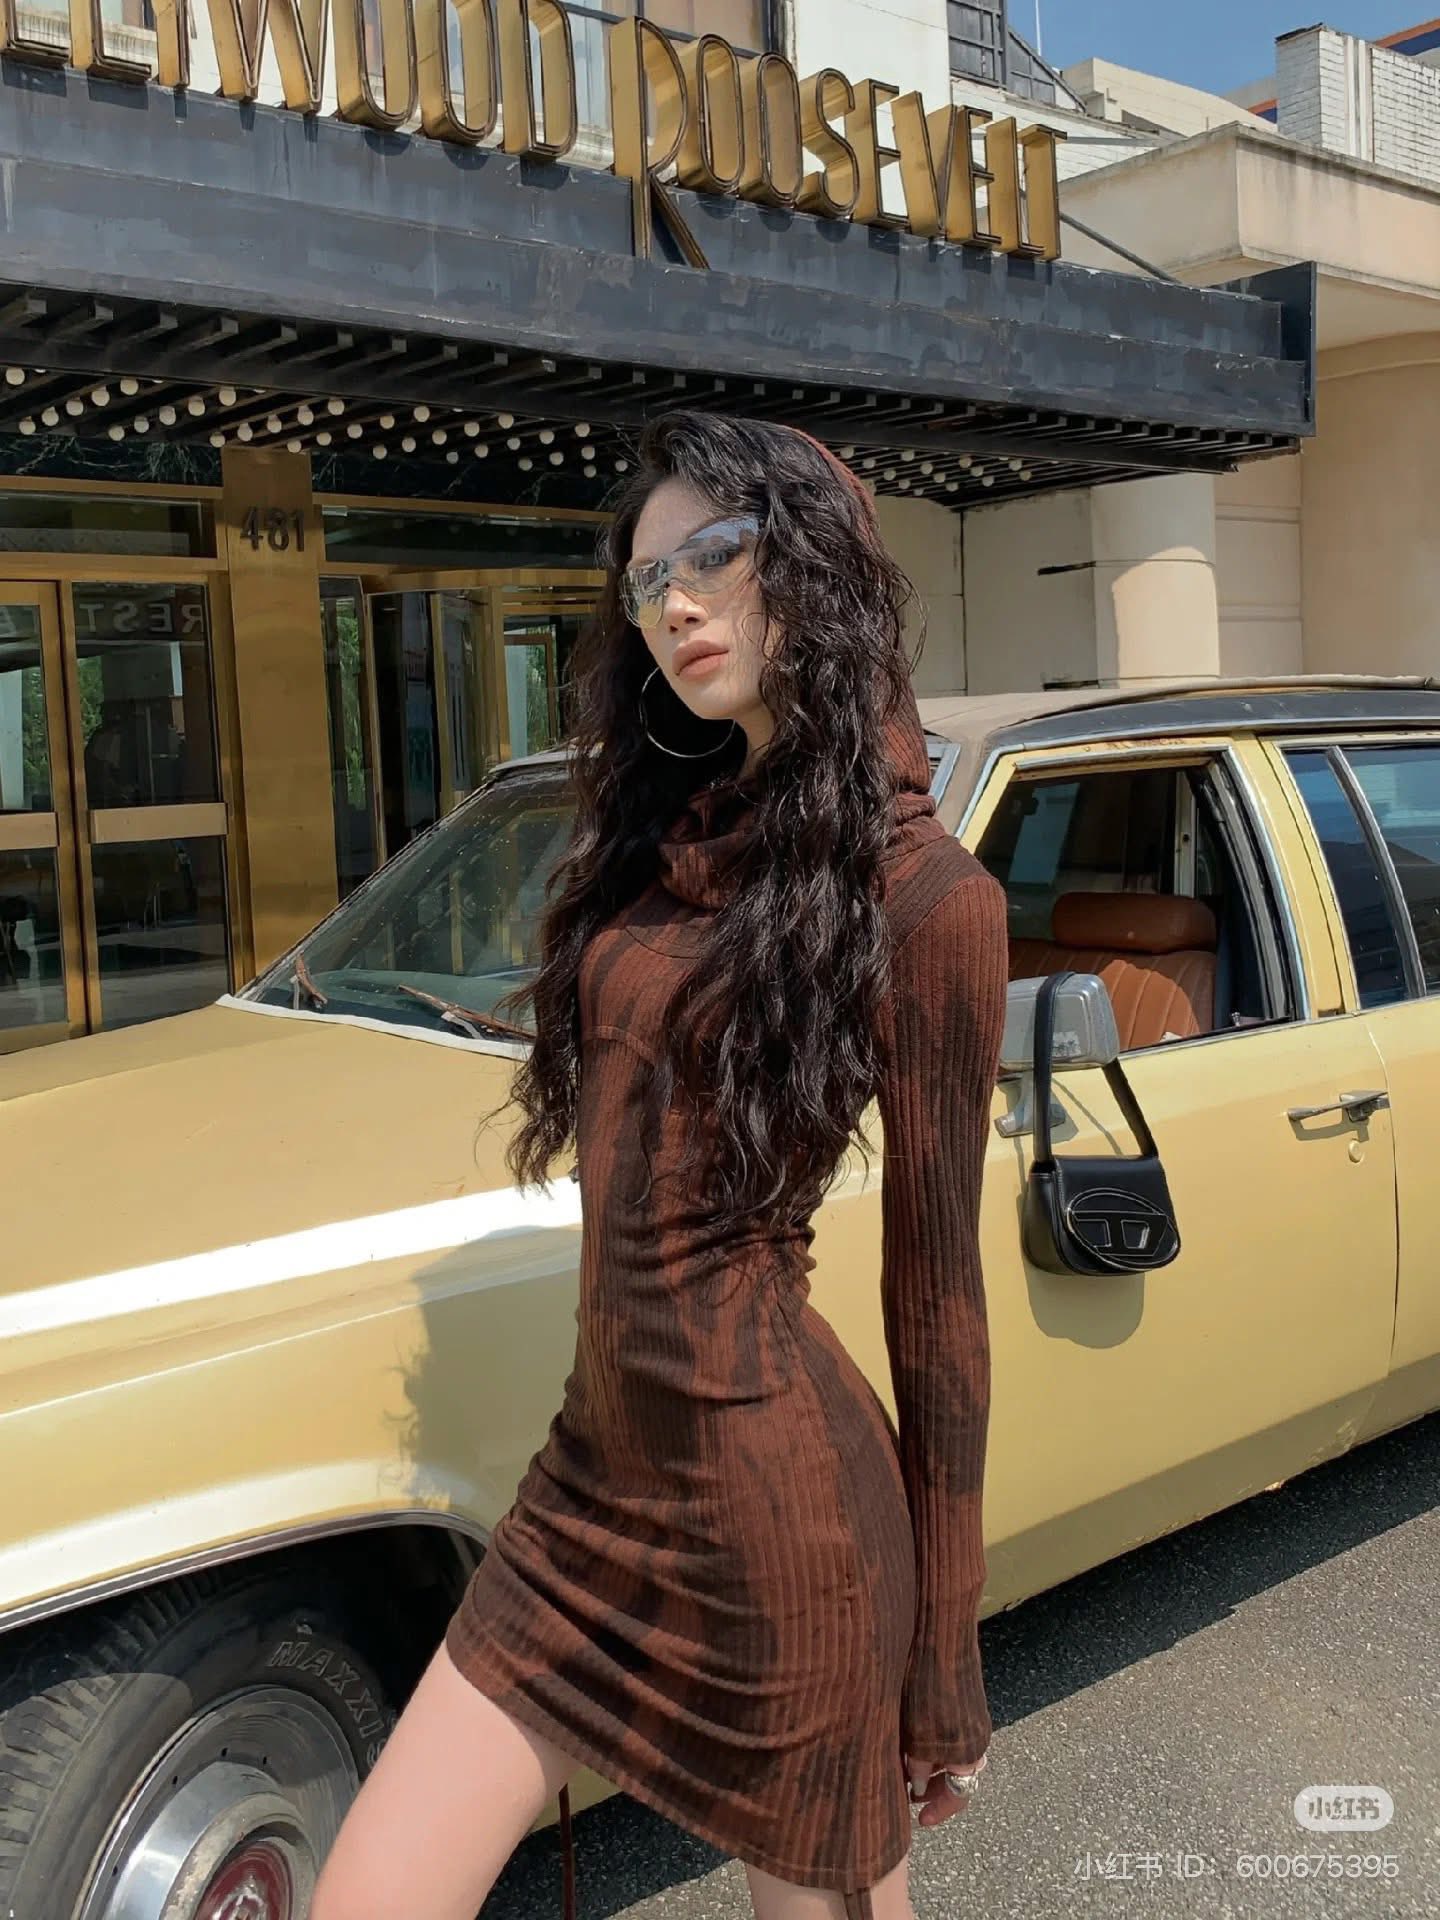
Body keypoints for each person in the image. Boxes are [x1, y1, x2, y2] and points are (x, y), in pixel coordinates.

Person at [309, 411, 1009, 1920]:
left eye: (715, 555)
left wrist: (945, 1651)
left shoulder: (925, 896)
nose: (675, 602)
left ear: (814, 566)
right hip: (591, 1488)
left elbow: (939, 1296)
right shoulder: (670, 837)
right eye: (646, 581)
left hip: (784, 1524)